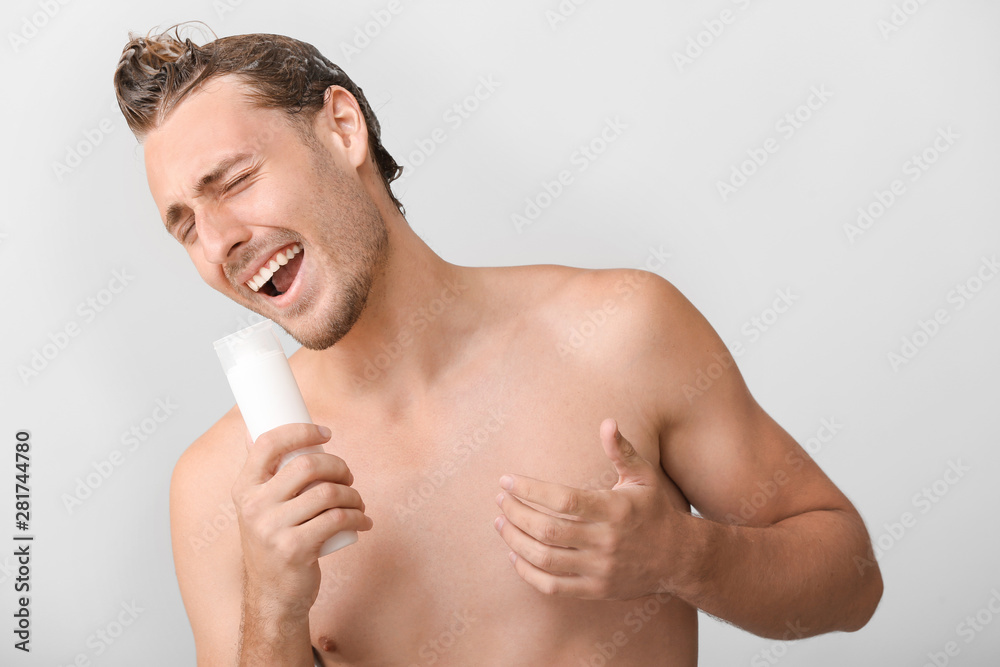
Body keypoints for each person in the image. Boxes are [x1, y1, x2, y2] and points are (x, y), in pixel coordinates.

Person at [114, 22, 883, 666]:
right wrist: (275, 611)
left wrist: (684, 555)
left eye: (235, 180)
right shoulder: (223, 489)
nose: (218, 241)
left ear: (342, 128)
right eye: (184, 224)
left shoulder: (619, 331)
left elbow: (852, 584)